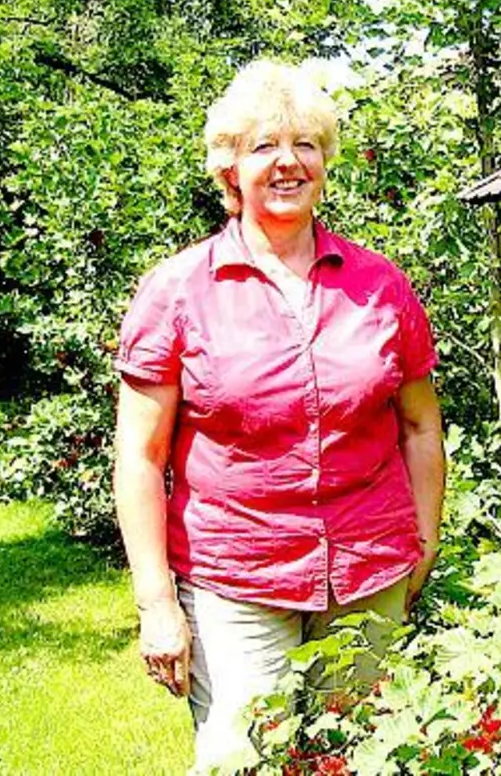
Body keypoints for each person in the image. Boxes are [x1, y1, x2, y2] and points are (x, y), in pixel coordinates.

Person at [110, 60, 446, 773]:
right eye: (265, 145)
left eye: (306, 144)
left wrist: (424, 542)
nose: (288, 162)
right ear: (230, 168)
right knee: (245, 760)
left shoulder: (380, 286)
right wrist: (157, 604)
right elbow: (140, 457)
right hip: (236, 577)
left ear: (325, 162)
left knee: (364, 759)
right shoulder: (178, 291)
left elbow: (420, 425)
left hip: (370, 569)